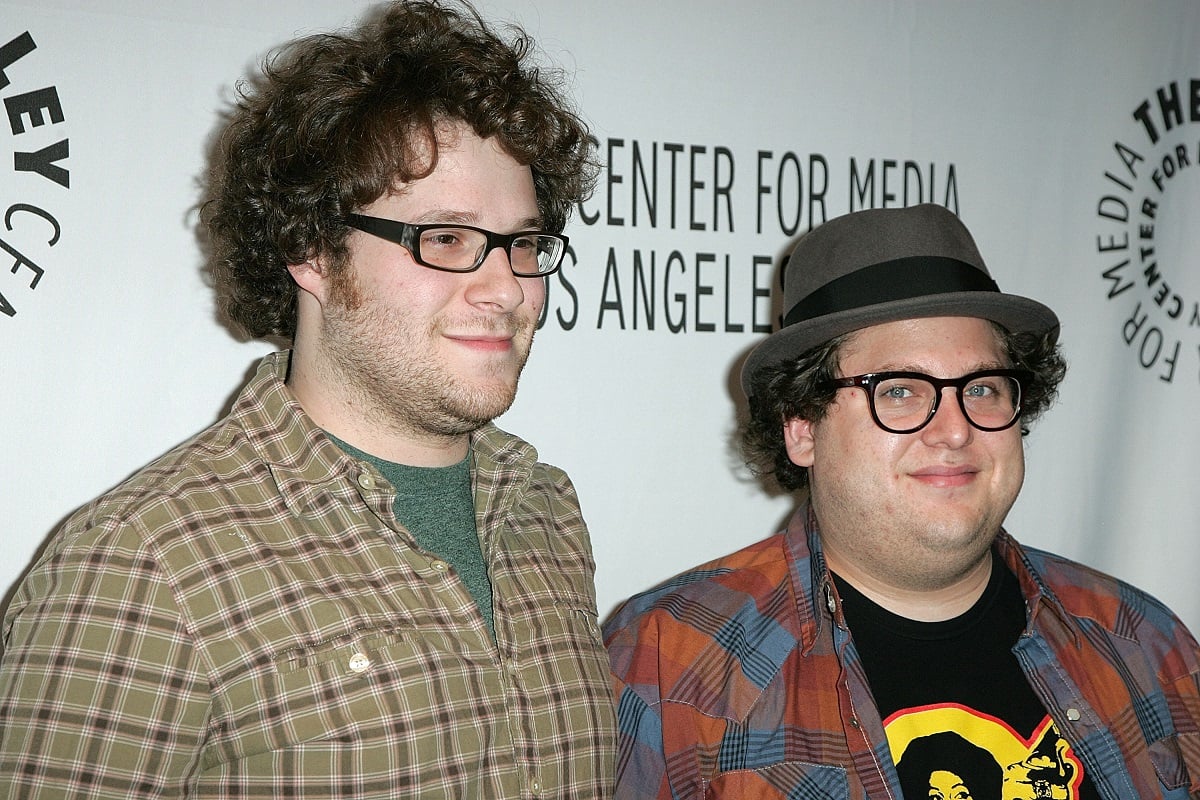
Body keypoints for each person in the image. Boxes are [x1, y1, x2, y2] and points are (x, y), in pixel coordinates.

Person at [0, 2, 614, 797]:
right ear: (310, 251)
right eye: (448, 239)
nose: (507, 288)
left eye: (523, 244)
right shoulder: (144, 565)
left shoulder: (548, 513)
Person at [604, 203, 1200, 799]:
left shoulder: (1141, 640)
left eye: (983, 388)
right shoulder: (672, 663)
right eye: (899, 392)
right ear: (802, 428)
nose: (955, 430)